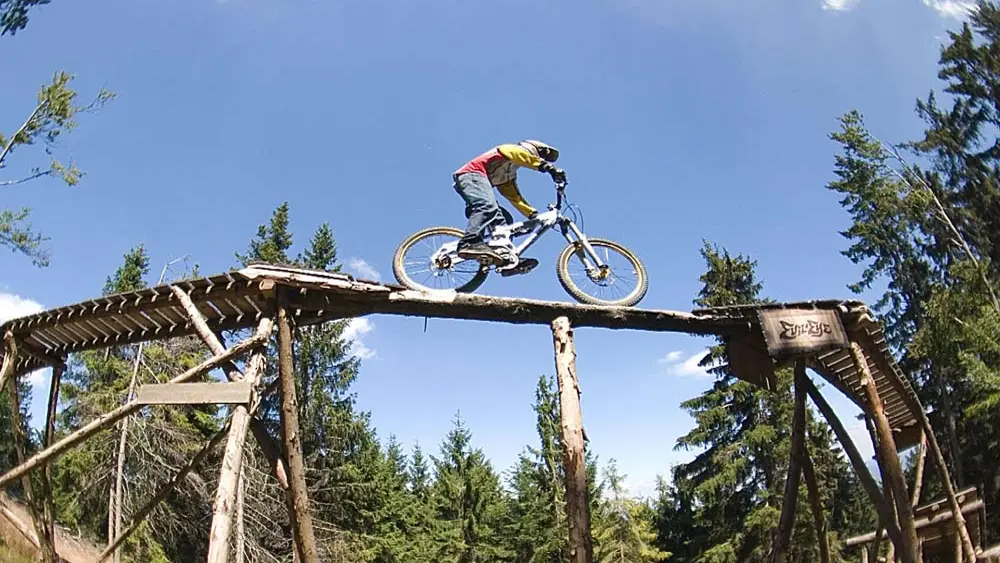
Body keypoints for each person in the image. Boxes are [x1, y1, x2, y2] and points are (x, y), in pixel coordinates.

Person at [452, 140, 567, 266]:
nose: (541, 158)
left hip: (474, 183)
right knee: (487, 206)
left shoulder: (507, 175)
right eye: (541, 155)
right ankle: (469, 242)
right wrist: (548, 168)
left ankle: (505, 255)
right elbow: (520, 155)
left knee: (505, 223)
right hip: (470, 174)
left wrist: (532, 215)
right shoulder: (509, 149)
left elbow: (515, 198)